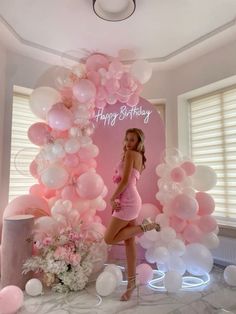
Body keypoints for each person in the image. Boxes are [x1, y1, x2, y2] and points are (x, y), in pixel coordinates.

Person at [104, 128, 160, 301]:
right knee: (129, 243)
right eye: (127, 139)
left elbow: (126, 180)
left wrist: (113, 197)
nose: (128, 143)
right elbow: (128, 181)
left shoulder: (130, 155)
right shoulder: (137, 157)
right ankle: (131, 284)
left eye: (133, 140)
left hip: (128, 202)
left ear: (138, 142)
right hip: (130, 200)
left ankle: (145, 226)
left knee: (109, 238)